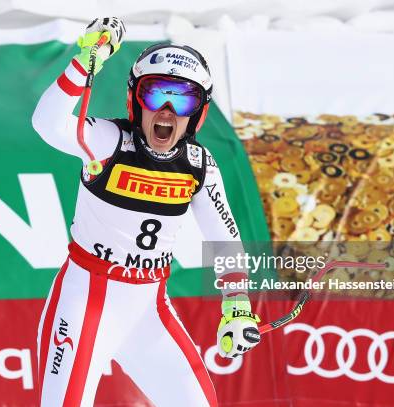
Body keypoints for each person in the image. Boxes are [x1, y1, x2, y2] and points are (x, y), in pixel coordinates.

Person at [32, 17, 260, 407]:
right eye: (156, 94)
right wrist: (84, 61)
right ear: (136, 101)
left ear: (198, 112)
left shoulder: (198, 164)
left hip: (148, 310)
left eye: (183, 99)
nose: (168, 111)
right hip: (85, 301)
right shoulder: (107, 141)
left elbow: (224, 236)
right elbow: (47, 124)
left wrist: (236, 302)